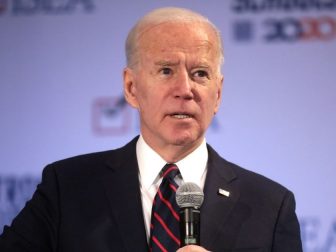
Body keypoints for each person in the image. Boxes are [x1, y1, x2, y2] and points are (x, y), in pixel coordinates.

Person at [0, 7, 302, 252]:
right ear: (131, 88)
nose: (185, 89)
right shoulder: (67, 188)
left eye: (200, 73)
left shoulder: (271, 206)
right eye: (166, 70)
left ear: (218, 94)